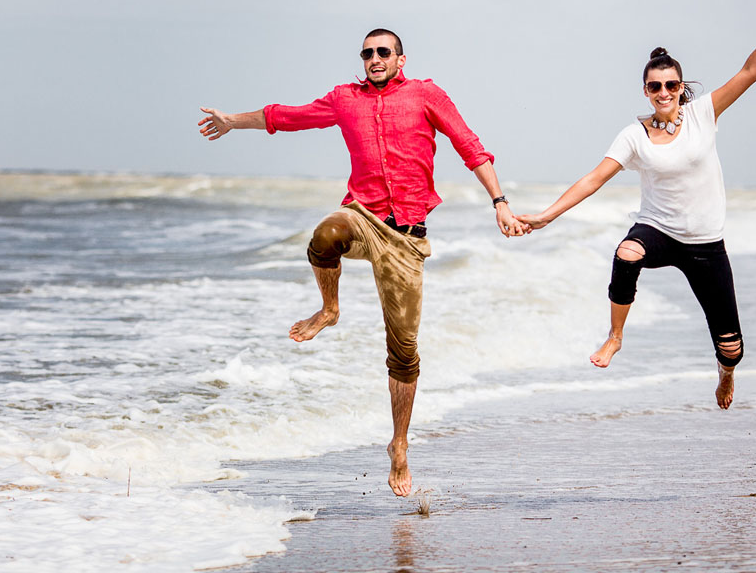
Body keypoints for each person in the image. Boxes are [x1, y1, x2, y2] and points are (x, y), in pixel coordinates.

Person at [198, 28, 526, 495]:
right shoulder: (344, 99)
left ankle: (398, 444)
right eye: (367, 53)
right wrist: (234, 120)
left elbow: (469, 145)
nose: (373, 59)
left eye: (382, 52)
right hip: (362, 216)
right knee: (324, 235)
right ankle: (329, 309)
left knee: (404, 353)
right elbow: (286, 117)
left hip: (407, 237)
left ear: (400, 58)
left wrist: (500, 201)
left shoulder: (425, 95)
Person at [516, 0, 756, 410]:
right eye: (655, 87)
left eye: (671, 84)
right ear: (646, 92)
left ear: (681, 85)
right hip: (659, 230)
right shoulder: (634, 135)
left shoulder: (702, 114)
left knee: (732, 348)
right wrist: (547, 216)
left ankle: (725, 374)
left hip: (706, 244)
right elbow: (594, 178)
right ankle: (616, 336)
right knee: (627, 252)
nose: (665, 92)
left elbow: (751, 71)